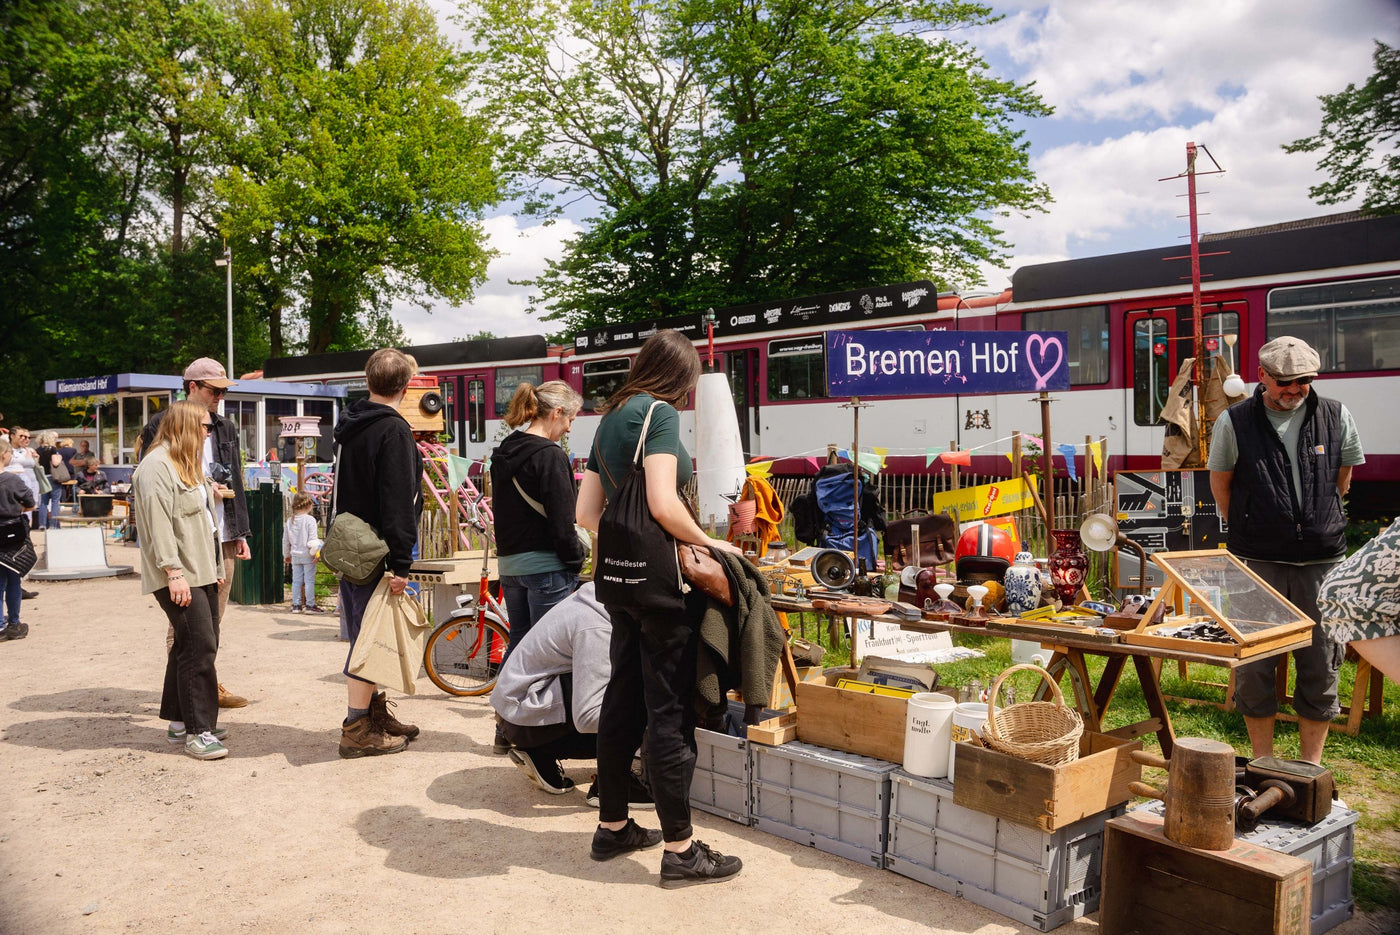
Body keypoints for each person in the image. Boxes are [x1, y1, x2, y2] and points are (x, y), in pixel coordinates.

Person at [576, 329, 746, 888]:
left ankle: (613, 826)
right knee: (668, 711)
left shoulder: (610, 417)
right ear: (681, 377)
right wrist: (707, 542)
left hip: (617, 585)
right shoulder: (661, 415)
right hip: (661, 589)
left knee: (622, 698)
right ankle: (680, 850)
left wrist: (629, 543)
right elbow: (662, 502)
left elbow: (586, 512)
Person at [1208, 336, 1365, 764]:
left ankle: (1310, 769)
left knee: (1320, 663)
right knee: (1255, 667)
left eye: (1303, 381)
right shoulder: (1235, 421)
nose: (1294, 389)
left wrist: (1319, 516)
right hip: (1257, 562)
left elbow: (1343, 475)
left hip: (1323, 560)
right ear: (1262, 376)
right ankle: (1263, 762)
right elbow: (1221, 481)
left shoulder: (1335, 414)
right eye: (1284, 382)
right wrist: (1243, 524)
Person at [138, 358, 251, 710]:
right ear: (192, 387)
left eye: (223, 391)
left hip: (220, 534)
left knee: (212, 621)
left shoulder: (224, 427)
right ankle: (194, 698)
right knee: (190, 625)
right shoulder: (160, 426)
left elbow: (235, 478)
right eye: (214, 390)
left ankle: (202, 687)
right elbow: (151, 492)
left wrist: (239, 531)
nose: (220, 397)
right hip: (184, 538)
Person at [331, 348, 424, 758]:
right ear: (405, 387)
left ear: (368, 382)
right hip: (380, 551)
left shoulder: (351, 424)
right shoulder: (394, 430)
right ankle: (356, 728)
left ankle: (373, 713)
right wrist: (401, 562)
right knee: (369, 641)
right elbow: (398, 501)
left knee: (366, 632)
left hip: (353, 545)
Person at [488, 380, 586, 753]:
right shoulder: (550, 455)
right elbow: (563, 524)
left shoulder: (503, 451)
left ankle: (503, 728)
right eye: (571, 418)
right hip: (548, 568)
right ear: (556, 413)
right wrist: (576, 560)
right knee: (550, 656)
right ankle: (539, 737)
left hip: (511, 566)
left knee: (520, 647)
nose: (571, 427)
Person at [491, 582, 651, 807]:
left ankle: (541, 753)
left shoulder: (600, 598)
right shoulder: (598, 627)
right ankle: (611, 786)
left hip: (517, 712)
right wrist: (652, 720)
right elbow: (587, 717)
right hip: (523, 717)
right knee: (631, 698)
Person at [133, 401, 228, 760]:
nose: (209, 432)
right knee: (199, 645)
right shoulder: (156, 466)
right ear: (187, 426)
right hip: (179, 573)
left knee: (195, 642)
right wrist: (173, 572)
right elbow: (159, 526)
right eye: (205, 426)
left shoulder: (187, 463)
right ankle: (198, 731)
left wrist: (216, 566)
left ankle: (179, 720)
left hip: (200, 569)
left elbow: (204, 523)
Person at [0, 436, 37, 641]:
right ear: (5, 456)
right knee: (13, 578)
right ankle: (14, 623)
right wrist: (17, 508)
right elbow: (30, 502)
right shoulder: (12, 480)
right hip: (12, 534)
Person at [283, 492, 323, 614]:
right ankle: (310, 605)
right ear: (309, 504)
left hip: (295, 555)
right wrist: (317, 553)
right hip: (308, 555)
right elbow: (312, 540)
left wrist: (286, 555)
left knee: (296, 581)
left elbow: (285, 540)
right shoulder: (310, 520)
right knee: (309, 580)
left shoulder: (290, 521)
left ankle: (296, 605)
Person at [7, 428, 40, 531]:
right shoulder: (8, 449)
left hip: (30, 481)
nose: (25, 439)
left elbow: (34, 466)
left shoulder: (27, 450)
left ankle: (26, 534)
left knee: (30, 507)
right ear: (12, 436)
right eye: (22, 436)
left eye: (27, 437)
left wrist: (36, 458)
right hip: (15, 480)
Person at [33, 431, 64, 529]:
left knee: (43, 502)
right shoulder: (52, 449)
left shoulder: (37, 450)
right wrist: (59, 457)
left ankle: (42, 524)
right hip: (53, 477)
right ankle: (53, 524)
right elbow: (55, 463)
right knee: (55, 501)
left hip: (43, 477)